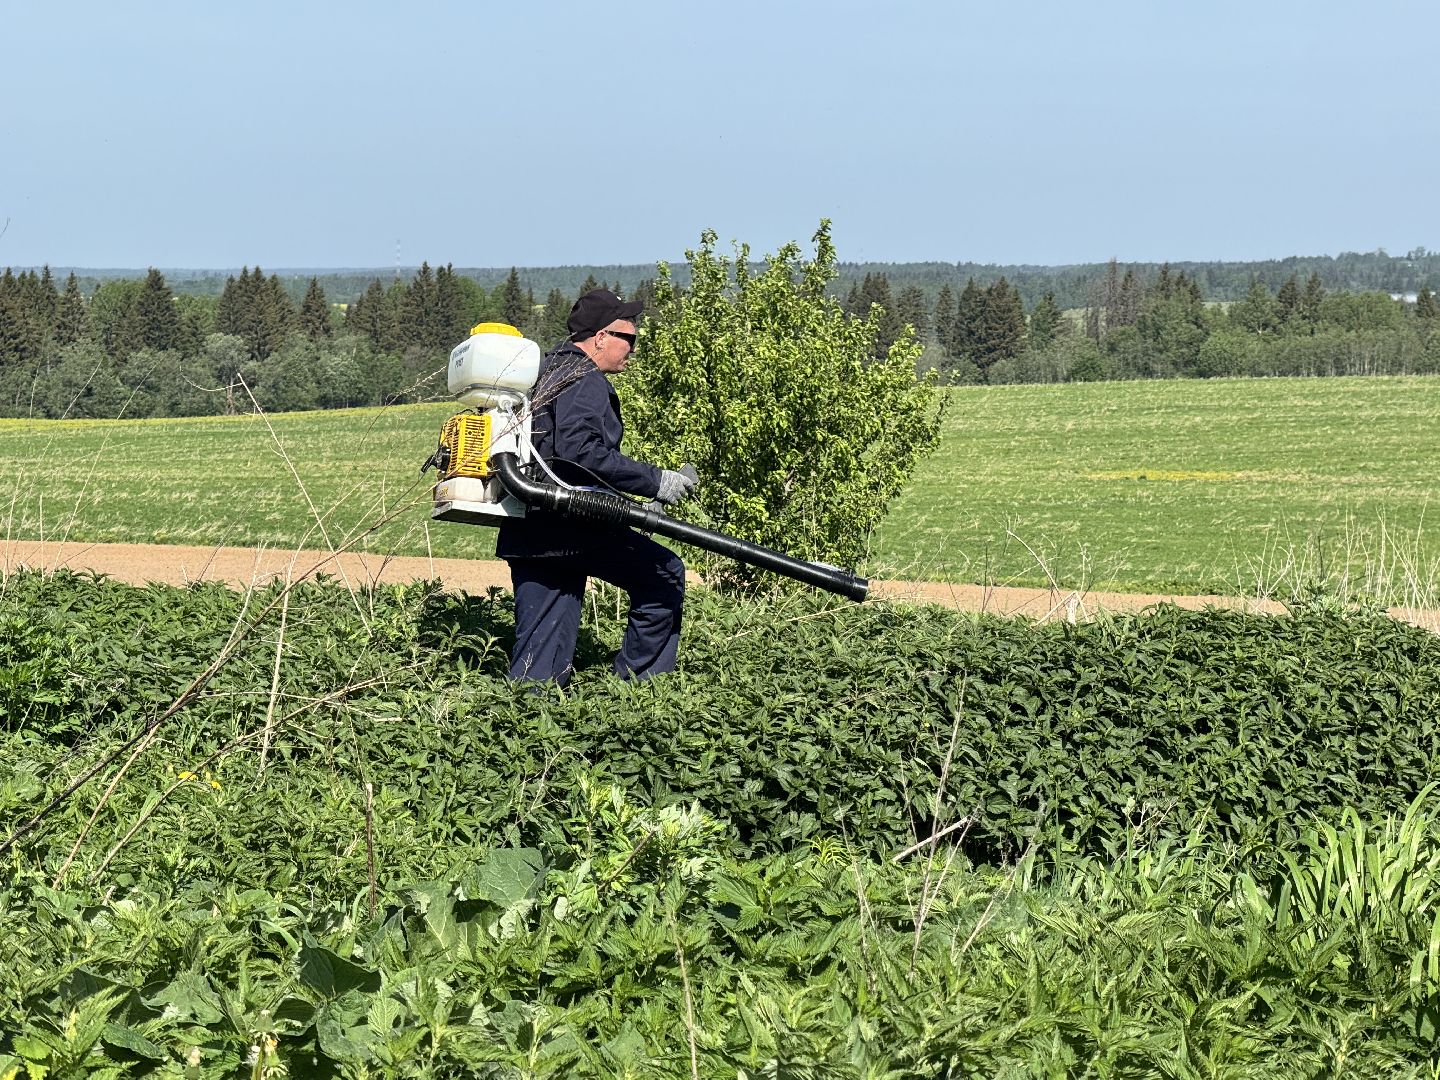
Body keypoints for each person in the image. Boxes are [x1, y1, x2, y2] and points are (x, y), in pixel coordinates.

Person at [496, 288, 697, 685]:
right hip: (572, 527)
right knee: (665, 574)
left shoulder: (544, 371)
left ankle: (524, 725)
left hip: (530, 528)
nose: (633, 349)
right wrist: (656, 482)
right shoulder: (582, 377)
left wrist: (629, 504)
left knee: (540, 657)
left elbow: (556, 459)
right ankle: (640, 691)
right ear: (601, 336)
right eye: (630, 338)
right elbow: (578, 452)